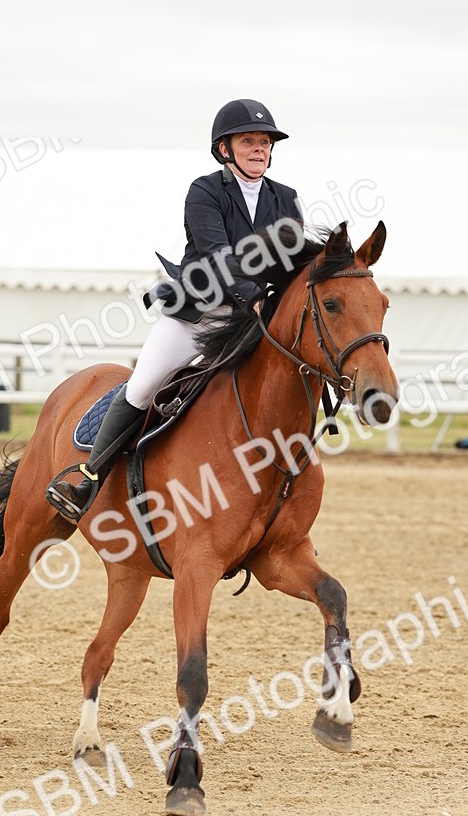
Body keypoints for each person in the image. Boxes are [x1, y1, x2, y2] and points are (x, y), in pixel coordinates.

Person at [45, 98, 303, 523]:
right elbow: (216, 255)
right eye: (248, 141)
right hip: (198, 316)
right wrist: (254, 295)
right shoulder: (204, 191)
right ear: (225, 149)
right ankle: (89, 476)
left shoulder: (286, 199)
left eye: (264, 142)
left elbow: (293, 262)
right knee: (143, 386)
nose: (259, 148)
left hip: (254, 323)